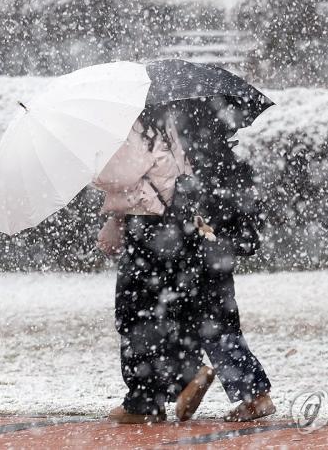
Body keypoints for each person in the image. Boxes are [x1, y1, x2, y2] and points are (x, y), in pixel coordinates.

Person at [94, 109, 212, 424]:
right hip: (176, 227)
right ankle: (184, 374)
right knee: (170, 308)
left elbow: (117, 175)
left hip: (146, 227)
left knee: (134, 314)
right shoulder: (166, 123)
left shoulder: (131, 127)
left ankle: (144, 400)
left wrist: (92, 163)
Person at [170, 137, 275, 422]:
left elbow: (247, 235)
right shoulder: (225, 168)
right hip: (209, 263)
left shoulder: (204, 169)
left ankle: (252, 395)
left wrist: (210, 234)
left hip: (204, 263)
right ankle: (247, 392)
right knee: (215, 328)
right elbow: (248, 232)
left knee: (214, 329)